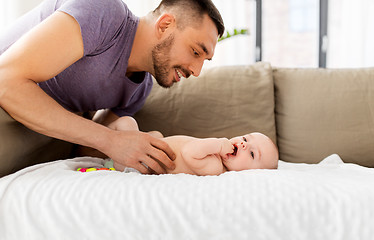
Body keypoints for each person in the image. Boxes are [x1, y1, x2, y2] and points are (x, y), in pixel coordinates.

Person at [0, 0, 225, 176]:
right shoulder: (103, 11)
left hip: (35, 141)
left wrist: (138, 144)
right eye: (196, 52)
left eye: (205, 60)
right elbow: (5, 80)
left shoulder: (139, 90)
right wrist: (110, 139)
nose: (196, 71)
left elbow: (85, 149)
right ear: (165, 25)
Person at [106, 116, 279, 175]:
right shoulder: (216, 156)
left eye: (251, 154)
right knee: (156, 135)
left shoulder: (215, 168)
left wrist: (219, 145)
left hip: (137, 162)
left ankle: (97, 150)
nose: (242, 144)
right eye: (245, 139)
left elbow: (189, 151)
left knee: (126, 122)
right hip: (148, 150)